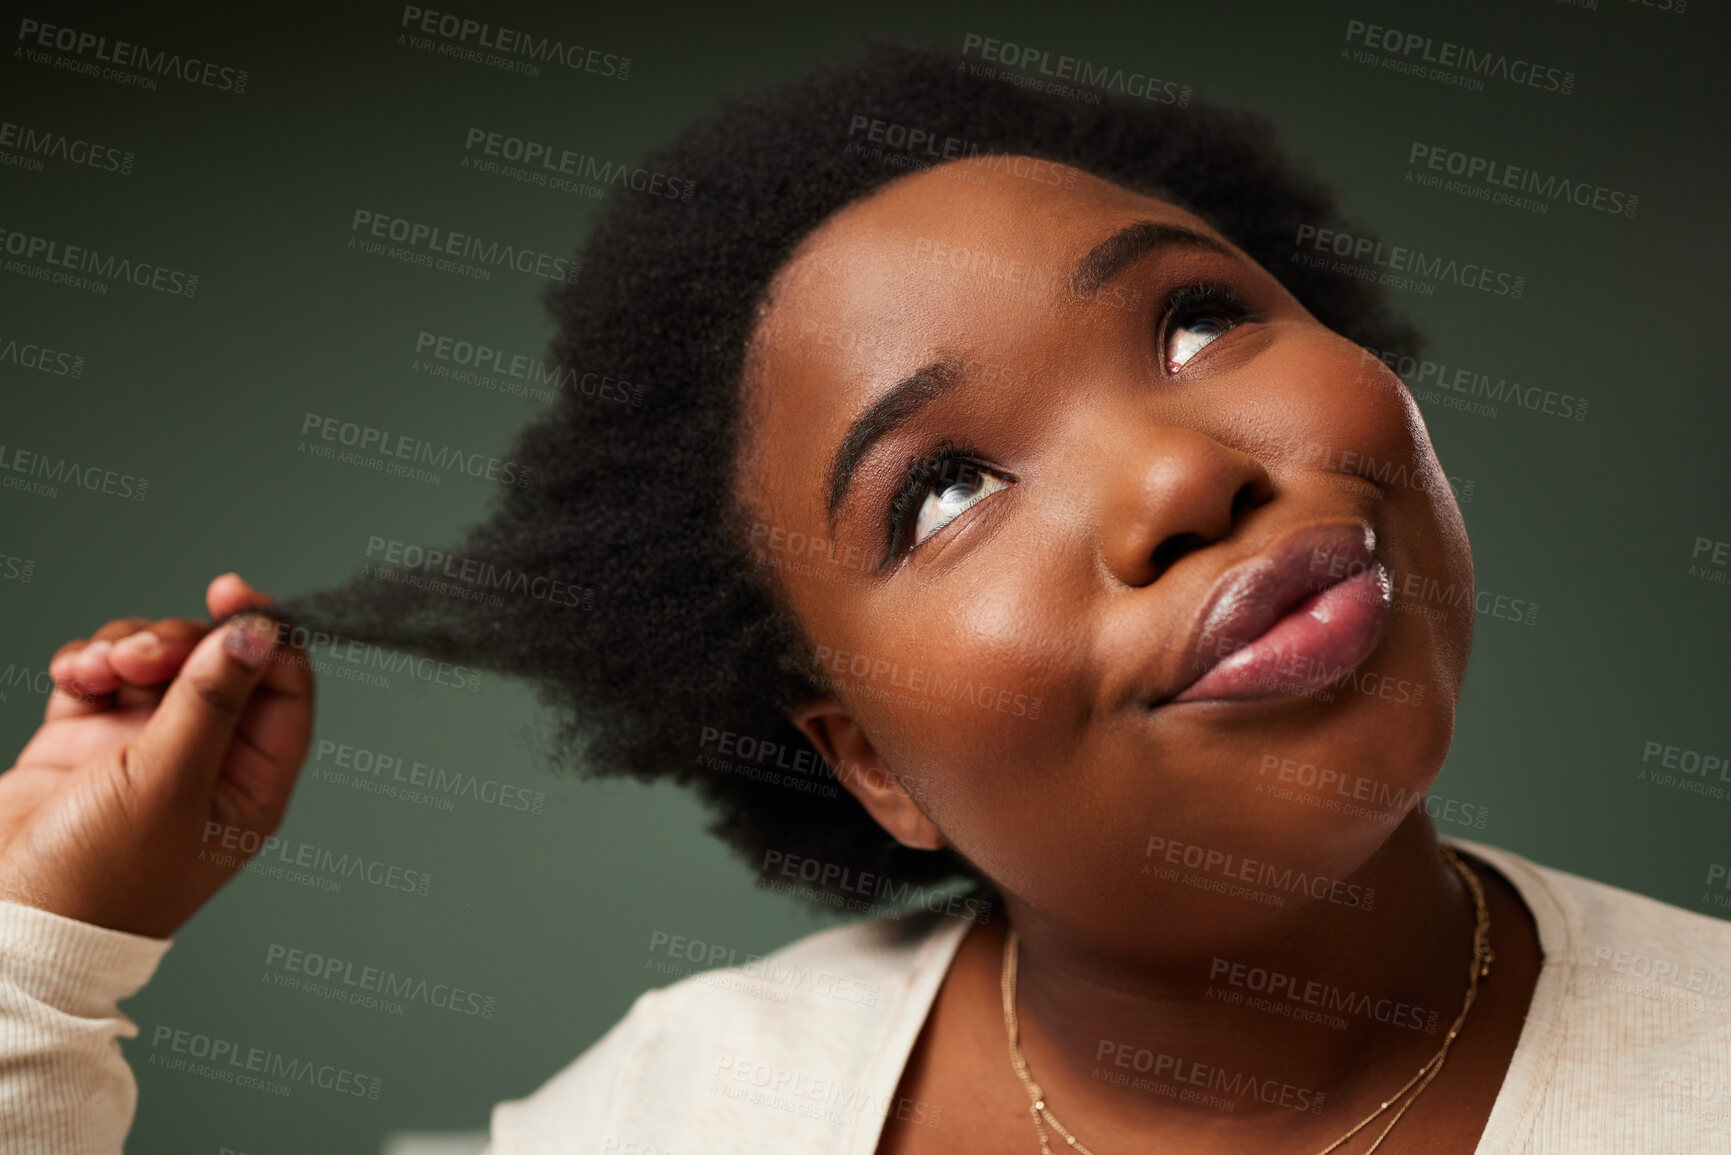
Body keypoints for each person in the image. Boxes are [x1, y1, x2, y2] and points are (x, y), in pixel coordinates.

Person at [3, 42, 1727, 1155]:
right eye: (947, 490)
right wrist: (41, 964)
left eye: (1198, 322)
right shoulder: (691, 1107)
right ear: (867, 759)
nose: (1179, 476)